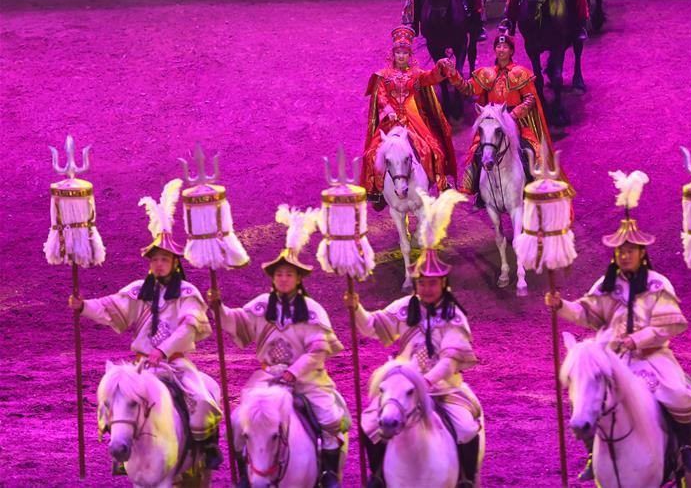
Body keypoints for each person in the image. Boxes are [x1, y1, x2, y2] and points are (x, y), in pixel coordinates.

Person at [546, 171, 691, 479]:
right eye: (620, 250)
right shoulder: (606, 285)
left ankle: (686, 449)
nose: (624, 254)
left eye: (630, 250)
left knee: (679, 394)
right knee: (591, 398)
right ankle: (594, 453)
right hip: (614, 357)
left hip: (653, 357)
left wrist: (638, 340)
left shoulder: (658, 284)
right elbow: (588, 314)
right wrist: (561, 305)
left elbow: (669, 326)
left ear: (642, 253)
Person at [68, 179, 223, 475]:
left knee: (203, 400)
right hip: (141, 367)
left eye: (164, 260)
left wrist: (163, 351)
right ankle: (120, 453)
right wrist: (84, 306)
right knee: (113, 402)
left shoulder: (188, 292)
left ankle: (208, 447)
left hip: (176, 365)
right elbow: (112, 306)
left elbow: (190, 326)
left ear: (175, 263)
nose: (159, 265)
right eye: (155, 260)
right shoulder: (139, 289)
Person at [345, 190, 482, 488]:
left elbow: (449, 361)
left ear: (443, 283)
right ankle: (379, 475)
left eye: (432, 283)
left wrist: (428, 382)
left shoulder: (454, 316)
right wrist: (355, 307)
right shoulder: (404, 307)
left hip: (441, 388)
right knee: (370, 423)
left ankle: (466, 480)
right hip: (403, 385)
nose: (427, 288)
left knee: (467, 427)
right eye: (422, 283)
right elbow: (370, 326)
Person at [210, 206, 349, 487]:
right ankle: (247, 476)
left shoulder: (312, 310)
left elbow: (318, 349)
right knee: (239, 420)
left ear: (298, 278)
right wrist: (218, 307)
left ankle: (328, 474)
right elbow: (237, 321)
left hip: (308, 379)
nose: (283, 278)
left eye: (289, 274)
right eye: (279, 274)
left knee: (331, 418)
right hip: (268, 377)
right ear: (273, 278)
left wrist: (294, 373)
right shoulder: (261, 305)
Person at [443, 25, 562, 209]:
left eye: (505, 47)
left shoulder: (520, 73)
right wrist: (453, 75)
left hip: (517, 124)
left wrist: (514, 114)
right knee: (477, 152)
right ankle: (480, 193)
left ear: (512, 51)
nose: (501, 50)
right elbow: (467, 87)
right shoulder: (487, 74)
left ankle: (531, 191)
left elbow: (530, 98)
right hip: (493, 123)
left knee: (532, 151)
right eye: (498, 47)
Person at [361, 25, 457, 210]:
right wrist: (387, 107)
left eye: (405, 53)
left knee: (435, 149)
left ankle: (441, 183)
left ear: (410, 55)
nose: (401, 56)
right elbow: (380, 95)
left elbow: (432, 77)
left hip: (414, 120)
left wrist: (441, 65)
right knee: (371, 154)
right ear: (393, 54)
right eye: (398, 52)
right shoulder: (383, 76)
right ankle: (377, 192)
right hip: (390, 121)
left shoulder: (417, 74)